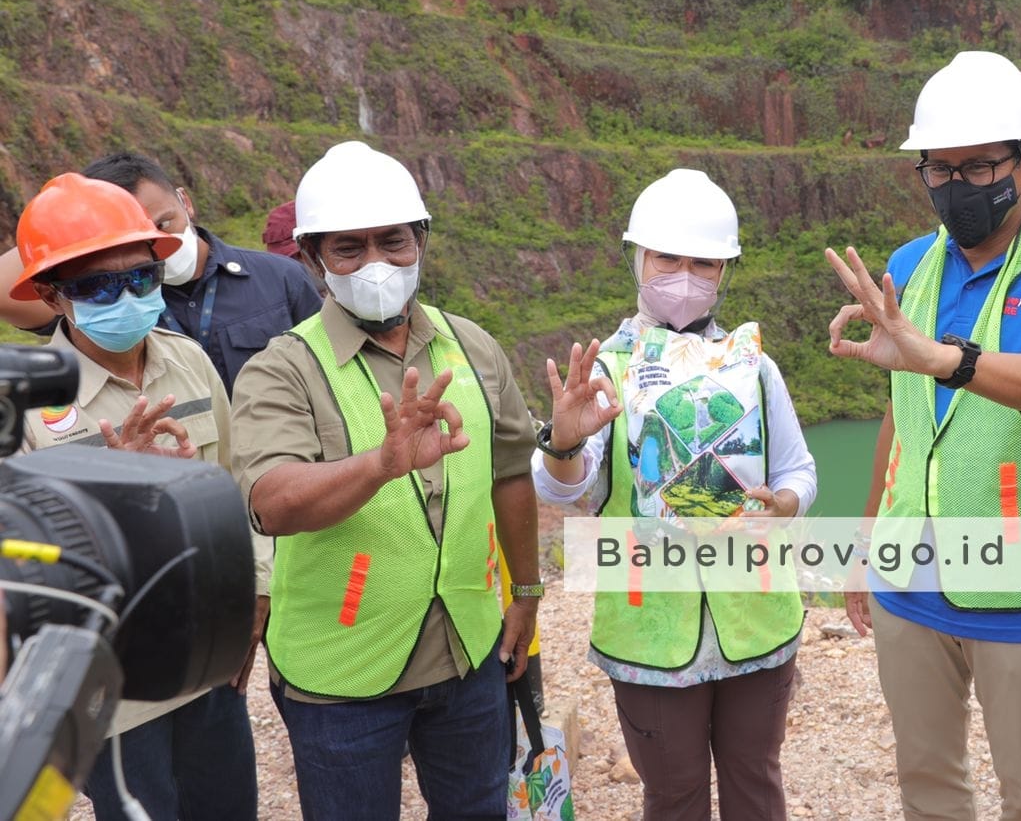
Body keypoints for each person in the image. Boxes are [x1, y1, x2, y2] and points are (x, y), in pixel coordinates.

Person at [826, 50, 1021, 821]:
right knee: (927, 786)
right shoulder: (911, 266)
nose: (954, 186)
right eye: (938, 168)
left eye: (976, 168)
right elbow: (904, 410)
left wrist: (945, 358)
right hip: (911, 589)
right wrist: (868, 543)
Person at [230, 140, 541, 821]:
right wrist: (380, 464)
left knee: (479, 809)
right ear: (312, 259)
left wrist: (526, 592)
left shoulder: (473, 348)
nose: (376, 262)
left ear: (421, 240)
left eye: (393, 241)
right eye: (349, 248)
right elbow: (272, 503)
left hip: (467, 650)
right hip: (343, 674)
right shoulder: (282, 371)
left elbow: (512, 471)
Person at [536, 167, 815, 820]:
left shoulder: (754, 365)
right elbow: (561, 488)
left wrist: (787, 503)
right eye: (668, 257)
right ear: (638, 258)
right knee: (675, 795)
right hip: (647, 629)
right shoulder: (607, 369)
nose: (685, 275)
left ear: (725, 271)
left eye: (704, 262)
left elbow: (798, 469)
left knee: (755, 784)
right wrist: (565, 441)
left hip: (757, 623)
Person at [11, 172, 263, 821]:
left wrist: (253, 601)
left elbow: (236, 493)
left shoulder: (191, 365)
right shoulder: (28, 404)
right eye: (97, 285)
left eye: (140, 279)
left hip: (208, 662)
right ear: (51, 296)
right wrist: (105, 501)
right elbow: (21, 567)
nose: (124, 296)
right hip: (109, 685)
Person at [0, 153, 322, 395]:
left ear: (185, 201)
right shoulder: (110, 299)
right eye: (133, 233)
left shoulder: (281, 277)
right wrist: (70, 223)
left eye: (162, 224)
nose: (151, 239)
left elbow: (324, 371)